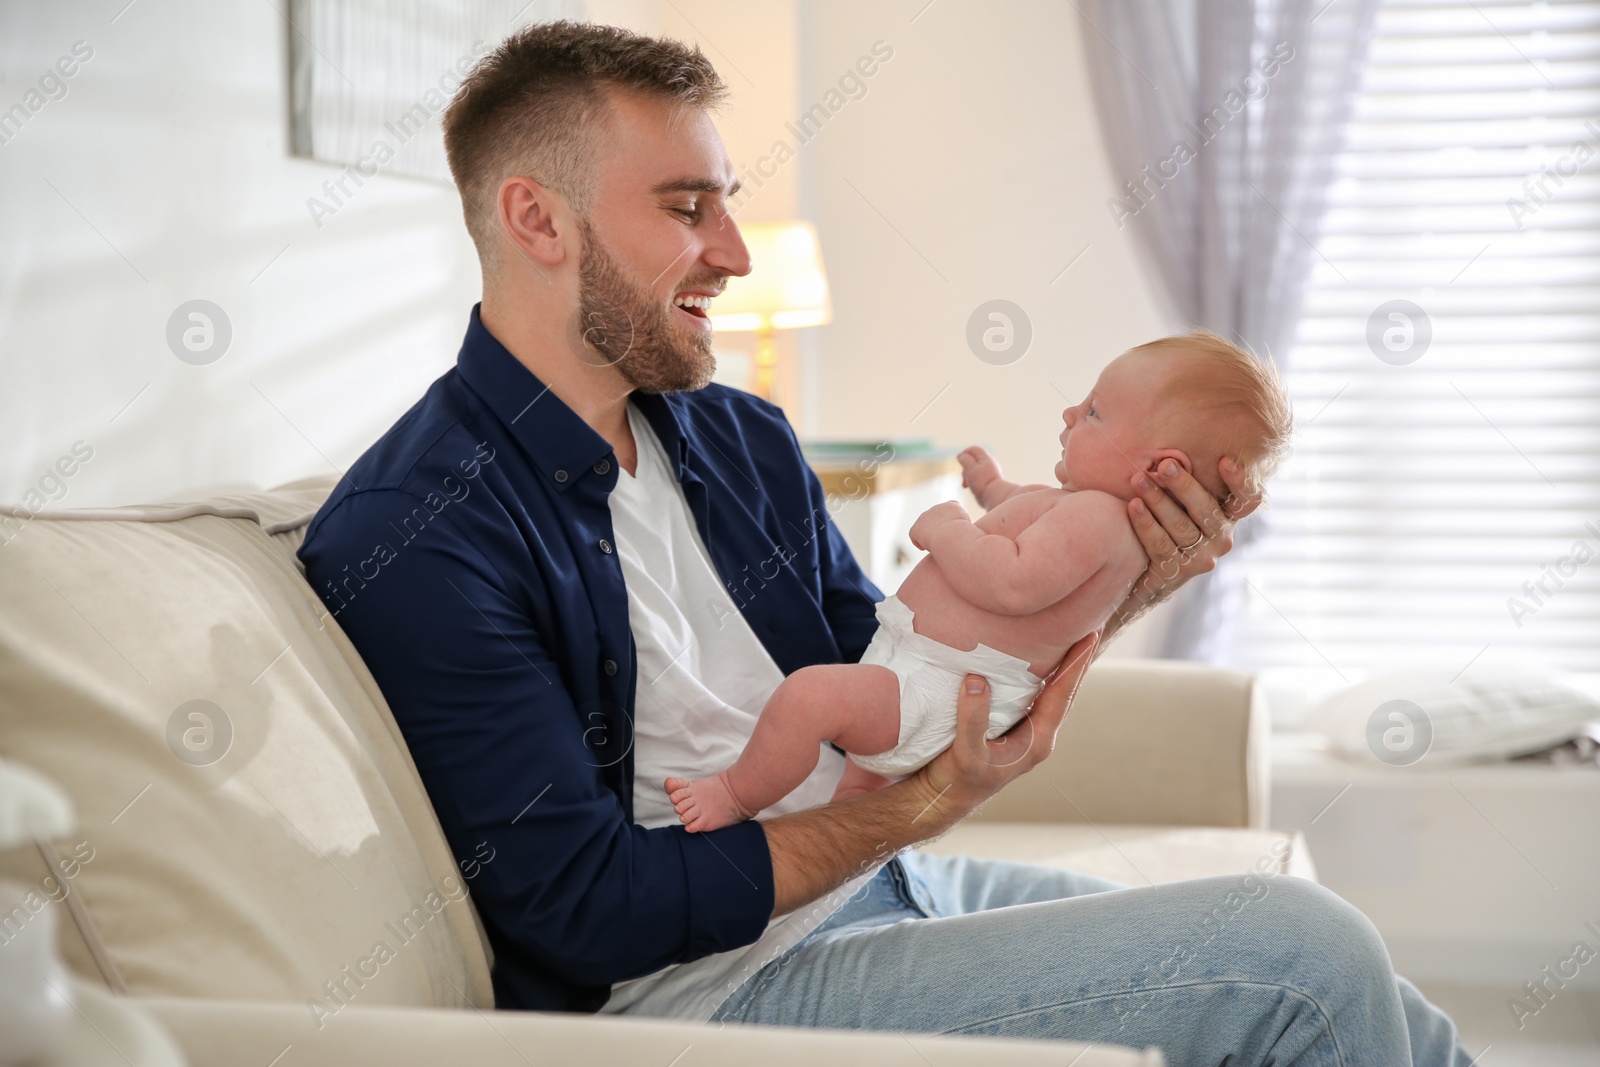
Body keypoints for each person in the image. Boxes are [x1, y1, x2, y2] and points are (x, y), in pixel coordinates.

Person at [297, 21, 1472, 1064]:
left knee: (1381, 998)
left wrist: (1125, 578)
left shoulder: (736, 435)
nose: (737, 252)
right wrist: (913, 810)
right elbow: (590, 909)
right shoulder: (419, 529)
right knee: (1293, 954)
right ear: (535, 218)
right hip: (704, 992)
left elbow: (909, 670)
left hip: (874, 889)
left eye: (726, 200)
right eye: (685, 206)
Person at [666, 333, 1292, 832]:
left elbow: (1013, 583)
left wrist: (947, 529)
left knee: (809, 699)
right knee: (858, 784)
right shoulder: (1085, 511)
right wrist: (989, 486)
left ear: (1163, 469)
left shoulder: (1098, 523)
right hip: (924, 680)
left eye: (1096, 412)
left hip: (937, 692)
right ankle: (847, 826)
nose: (1072, 412)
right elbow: (1021, 509)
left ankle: (731, 794)